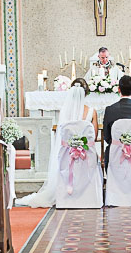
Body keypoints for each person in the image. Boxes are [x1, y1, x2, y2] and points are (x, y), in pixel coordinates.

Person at [16, 79, 97, 208]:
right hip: (85, 154)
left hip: (67, 154)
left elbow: (62, 136)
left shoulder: (64, 111)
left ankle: (65, 193)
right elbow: (94, 137)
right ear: (86, 93)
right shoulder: (92, 111)